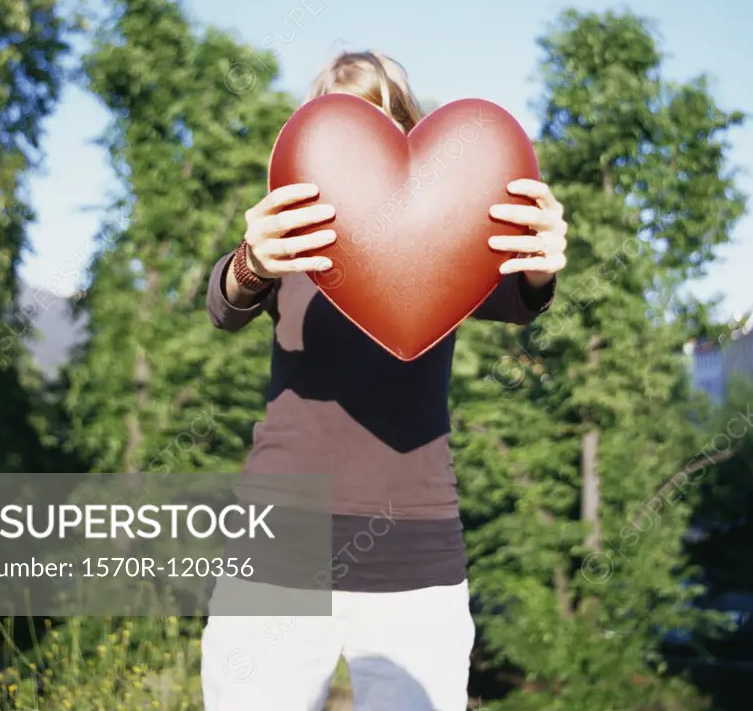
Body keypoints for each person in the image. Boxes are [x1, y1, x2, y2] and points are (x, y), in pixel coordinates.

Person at [200, 51, 568, 711]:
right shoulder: (291, 234)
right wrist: (249, 263)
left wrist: (541, 268)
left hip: (412, 556)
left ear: (404, 127)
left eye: (378, 111)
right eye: (337, 119)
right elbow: (225, 301)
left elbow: (519, 295)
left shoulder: (446, 233)